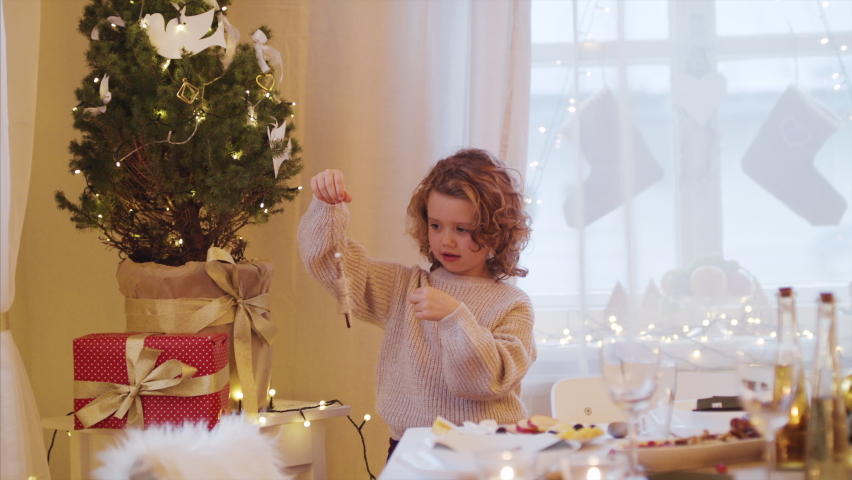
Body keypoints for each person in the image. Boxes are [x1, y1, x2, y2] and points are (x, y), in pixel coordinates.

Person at [297, 148, 535, 459]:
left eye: (461, 229)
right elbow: (331, 266)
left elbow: (483, 383)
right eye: (436, 225)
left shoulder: (513, 305)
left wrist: (455, 318)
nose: (446, 240)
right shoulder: (404, 287)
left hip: (490, 451)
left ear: (496, 231)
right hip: (410, 449)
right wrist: (327, 208)